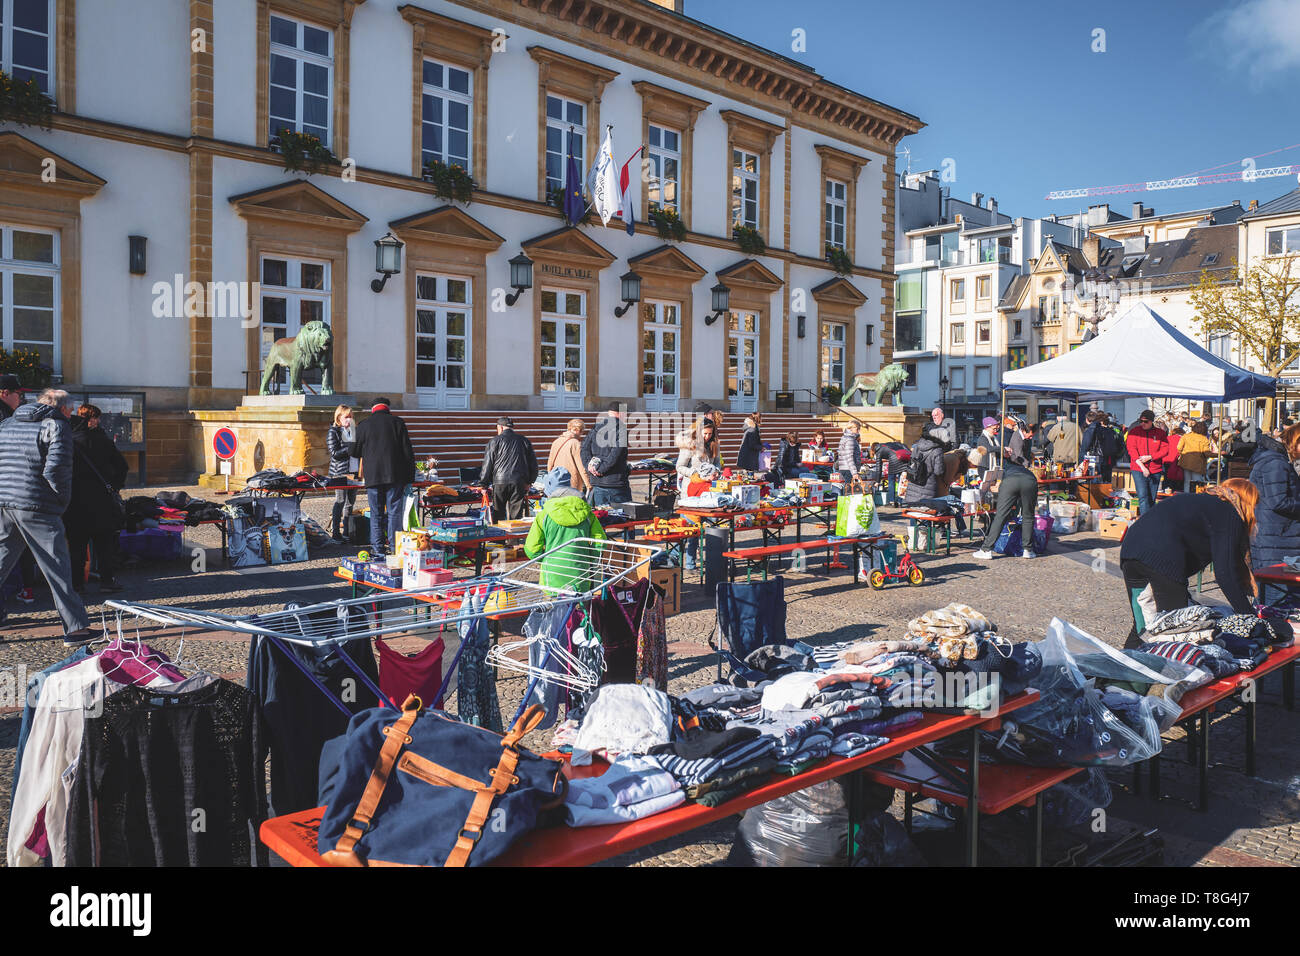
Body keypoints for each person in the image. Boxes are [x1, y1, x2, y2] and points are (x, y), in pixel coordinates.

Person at [1119, 479, 1258, 647]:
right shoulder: (1229, 512)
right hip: (1163, 558)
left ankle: (1113, 672)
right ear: (1247, 502)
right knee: (1175, 632)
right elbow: (1225, 574)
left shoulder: (1205, 501)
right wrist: (1249, 617)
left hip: (1130, 550)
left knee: (1144, 627)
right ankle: (1168, 672)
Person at [0, 388, 91, 643]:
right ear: (62, 409)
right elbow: (57, 470)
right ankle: (75, 630)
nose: (71, 416)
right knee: (57, 568)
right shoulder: (57, 425)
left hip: (5, 501)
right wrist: (59, 503)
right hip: (37, 504)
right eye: (71, 412)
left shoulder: (7, 424)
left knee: (2, 561)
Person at [65, 403, 128, 594]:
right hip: (101, 499)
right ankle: (107, 581)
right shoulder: (103, 440)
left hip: (75, 501)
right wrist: (114, 487)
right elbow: (122, 466)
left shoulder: (70, 441)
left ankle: (77, 583)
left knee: (77, 545)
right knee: (104, 543)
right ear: (91, 419)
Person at [523, 467, 608, 591]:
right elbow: (600, 542)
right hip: (581, 574)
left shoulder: (544, 515)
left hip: (552, 577)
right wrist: (588, 557)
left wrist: (547, 559)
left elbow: (532, 549)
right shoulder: (586, 512)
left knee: (553, 610)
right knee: (580, 610)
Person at [352, 397, 416, 556]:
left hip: (373, 476)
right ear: (387, 408)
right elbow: (408, 452)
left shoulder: (364, 425)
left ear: (372, 409)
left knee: (376, 513)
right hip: (395, 476)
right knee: (395, 512)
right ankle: (395, 547)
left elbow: (353, 451)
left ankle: (378, 548)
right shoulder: (398, 423)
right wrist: (410, 477)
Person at [973, 416, 1040, 561]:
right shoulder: (985, 440)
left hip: (1010, 480)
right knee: (1028, 516)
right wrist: (1002, 450)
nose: (997, 428)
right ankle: (1028, 550)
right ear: (987, 427)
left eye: (997, 426)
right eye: (994, 426)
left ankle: (986, 550)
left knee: (1001, 515)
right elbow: (985, 450)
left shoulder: (997, 440)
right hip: (1029, 480)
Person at [1249, 423, 1300, 606]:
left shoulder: (1277, 460)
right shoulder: (1275, 463)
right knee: (1277, 600)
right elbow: (1278, 501)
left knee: (1285, 597)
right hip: (1277, 543)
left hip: (1282, 540)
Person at [479, 415, 538, 521]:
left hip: (499, 481)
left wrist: (483, 483)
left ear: (500, 427)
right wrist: (530, 482)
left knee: (499, 513)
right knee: (516, 515)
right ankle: (513, 537)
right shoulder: (524, 440)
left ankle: (499, 537)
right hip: (519, 481)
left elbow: (488, 463)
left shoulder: (494, 441)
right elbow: (533, 464)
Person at [1126, 409, 1168, 516]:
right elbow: (1132, 450)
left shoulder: (1160, 433)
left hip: (1155, 469)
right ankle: (1145, 521)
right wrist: (1142, 467)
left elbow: (1165, 450)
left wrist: (1150, 457)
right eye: (1141, 421)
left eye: (1146, 422)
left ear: (1151, 421)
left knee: (1152, 497)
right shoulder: (1134, 432)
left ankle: (1151, 518)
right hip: (1138, 469)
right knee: (1143, 496)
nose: (1142, 424)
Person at [326, 404, 357, 543]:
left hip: (354, 471)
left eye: (351, 416)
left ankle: (347, 532)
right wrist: (350, 448)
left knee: (350, 503)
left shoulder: (352, 431)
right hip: (339, 472)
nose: (349, 419)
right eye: (346, 417)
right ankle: (336, 532)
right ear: (339, 418)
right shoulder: (334, 431)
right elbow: (334, 453)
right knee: (340, 501)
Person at [902, 423, 946, 505]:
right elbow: (938, 472)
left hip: (913, 484)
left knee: (913, 513)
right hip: (927, 488)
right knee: (926, 514)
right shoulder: (937, 450)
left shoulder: (917, 446)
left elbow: (912, 462)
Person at [546, 418, 591, 494]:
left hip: (557, 480)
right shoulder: (575, 443)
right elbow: (581, 466)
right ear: (578, 430)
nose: (582, 434)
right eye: (582, 431)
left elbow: (550, 462)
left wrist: (550, 476)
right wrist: (588, 484)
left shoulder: (556, 441)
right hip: (571, 481)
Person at [1080, 410, 1122, 484]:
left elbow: (1085, 447)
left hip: (1095, 459)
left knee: (1095, 482)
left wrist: (1081, 460)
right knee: (1106, 482)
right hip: (1109, 459)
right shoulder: (1111, 430)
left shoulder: (1091, 430)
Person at [1162, 427, 1185, 493]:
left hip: (1166, 460)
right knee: (1176, 478)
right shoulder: (1182, 439)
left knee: (1166, 477)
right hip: (1177, 461)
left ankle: (1166, 491)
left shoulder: (1167, 438)